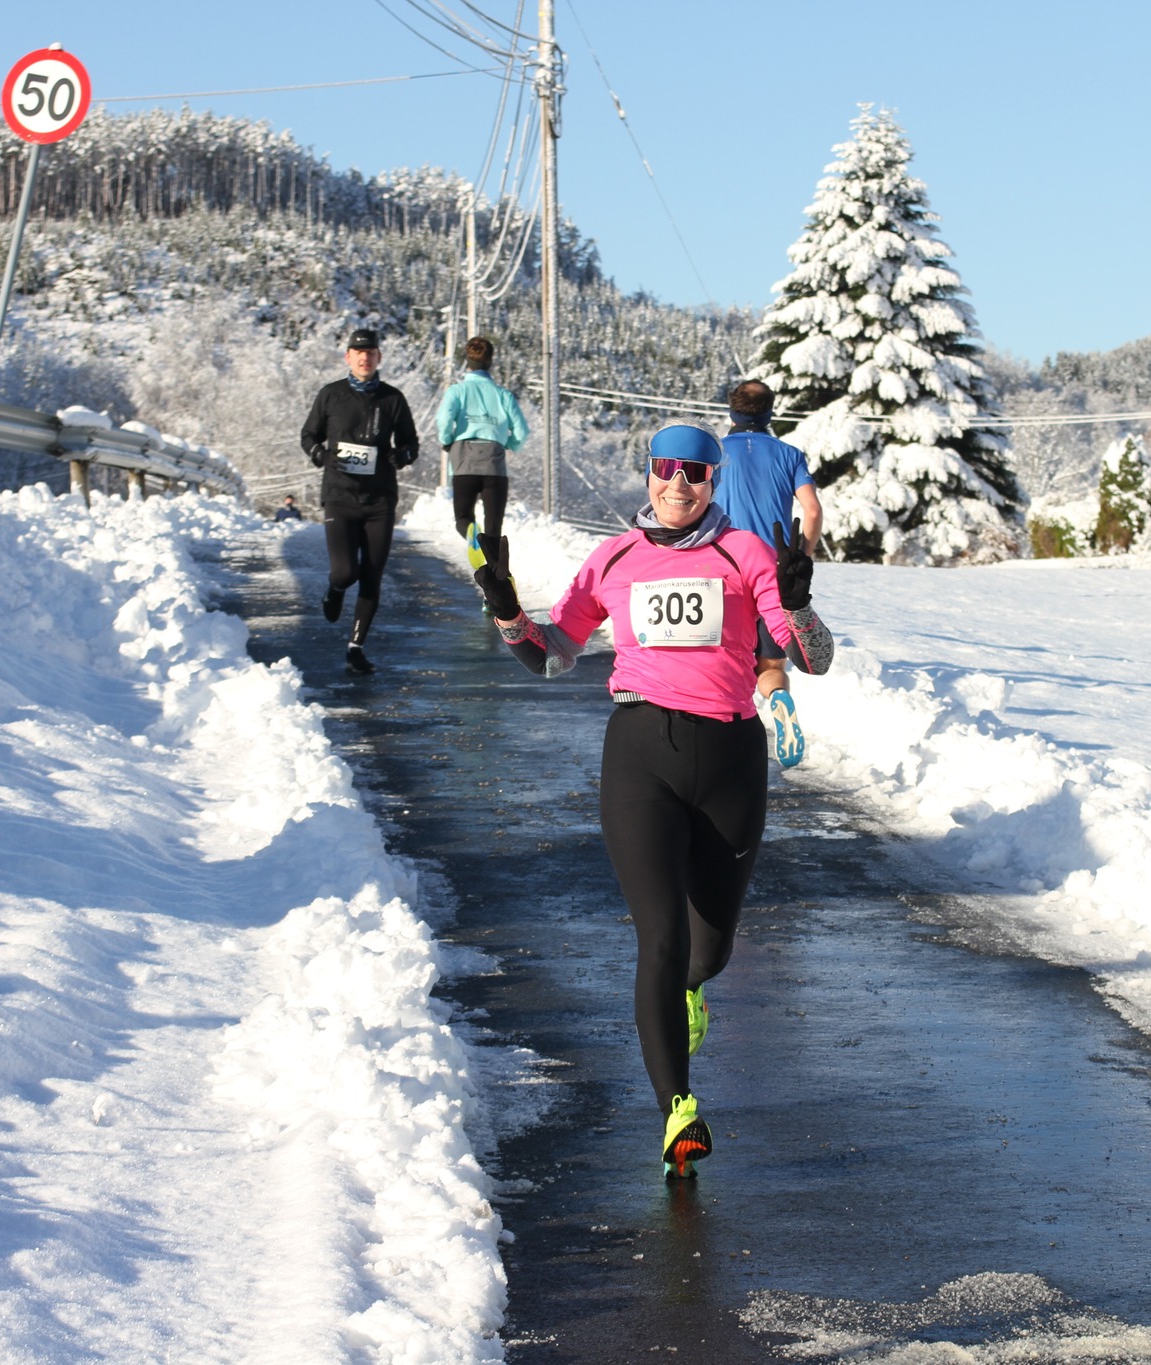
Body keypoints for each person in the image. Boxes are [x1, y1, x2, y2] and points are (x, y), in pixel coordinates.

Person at [473, 424, 835, 1179]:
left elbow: (812, 657)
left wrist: (799, 604)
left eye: (696, 472)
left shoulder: (745, 552)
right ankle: (678, 1109)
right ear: (648, 474)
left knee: (710, 948)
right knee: (661, 938)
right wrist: (507, 610)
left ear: (713, 480)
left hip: (731, 758)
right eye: (667, 468)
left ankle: (693, 990)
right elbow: (553, 656)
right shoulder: (613, 558)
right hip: (640, 755)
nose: (679, 483)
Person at [711, 379, 823, 768]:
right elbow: (812, 510)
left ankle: (722, 739)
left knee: (721, 659)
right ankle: (778, 697)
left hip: (723, 570)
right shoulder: (789, 454)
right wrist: (800, 557)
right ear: (770, 412)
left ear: (732, 411)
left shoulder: (715, 453)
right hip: (774, 573)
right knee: (771, 666)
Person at [300, 327, 419, 674]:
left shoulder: (393, 399)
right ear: (348, 357)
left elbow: (411, 443)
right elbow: (308, 435)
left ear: (379, 357)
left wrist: (401, 456)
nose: (364, 358)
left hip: (380, 500)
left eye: (370, 352)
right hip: (339, 496)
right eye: (358, 352)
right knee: (345, 571)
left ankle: (356, 647)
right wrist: (321, 455)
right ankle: (335, 589)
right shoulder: (331, 394)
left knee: (372, 574)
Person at [435, 335, 530, 551]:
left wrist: (447, 441)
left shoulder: (457, 391)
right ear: (490, 361)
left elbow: (443, 419)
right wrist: (510, 444)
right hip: (493, 461)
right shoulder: (503, 395)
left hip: (463, 459)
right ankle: (494, 566)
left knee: (463, 517)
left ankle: (472, 534)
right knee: (494, 527)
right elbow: (522, 431)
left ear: (467, 361)